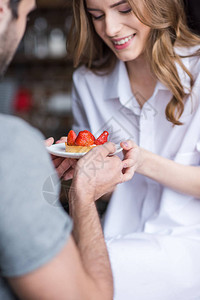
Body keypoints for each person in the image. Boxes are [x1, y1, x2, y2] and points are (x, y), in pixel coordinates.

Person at [65, 0, 200, 299]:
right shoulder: (88, 84)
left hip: (189, 246)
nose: (110, 29)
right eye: (97, 16)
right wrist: (80, 176)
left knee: (64, 277)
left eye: (124, 10)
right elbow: (109, 192)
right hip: (118, 237)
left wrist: (141, 161)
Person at [0, 0, 133, 299]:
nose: (110, 28)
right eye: (27, 16)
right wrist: (82, 196)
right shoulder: (13, 146)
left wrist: (35, 178)